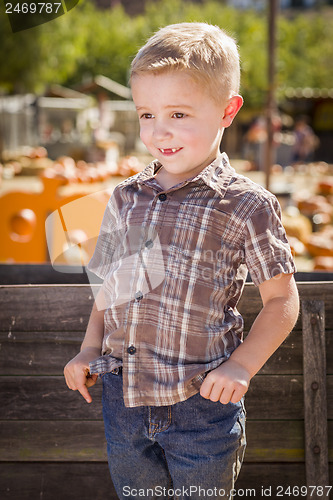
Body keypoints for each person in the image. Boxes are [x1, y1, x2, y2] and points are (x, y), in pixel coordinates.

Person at [64, 22, 299, 499]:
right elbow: (112, 287)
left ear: (227, 111)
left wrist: (241, 367)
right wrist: (90, 348)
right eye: (146, 114)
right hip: (123, 402)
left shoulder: (246, 205)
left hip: (201, 405)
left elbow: (281, 301)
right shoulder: (126, 198)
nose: (159, 131)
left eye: (178, 113)